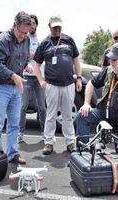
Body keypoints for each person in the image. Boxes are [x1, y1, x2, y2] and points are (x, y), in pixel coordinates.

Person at [34, 15, 82, 155]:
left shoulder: (68, 40)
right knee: (50, 115)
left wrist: (78, 78)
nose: (57, 29)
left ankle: (70, 142)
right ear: (49, 26)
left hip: (68, 84)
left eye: (59, 26)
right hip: (52, 85)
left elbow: (76, 61)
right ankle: (48, 143)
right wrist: (41, 81)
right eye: (54, 27)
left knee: (68, 115)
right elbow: (37, 65)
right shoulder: (44, 43)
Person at [0, 11, 33, 165]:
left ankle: (12, 154)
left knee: (14, 123)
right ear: (14, 25)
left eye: (26, 33)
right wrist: (14, 76)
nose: (23, 36)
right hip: (1, 86)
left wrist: (27, 64)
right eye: (21, 32)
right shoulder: (3, 39)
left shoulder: (26, 39)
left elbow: (25, 57)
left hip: (16, 87)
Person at [18, 14, 46, 143]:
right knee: (23, 106)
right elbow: (22, 55)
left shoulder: (41, 41)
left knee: (42, 107)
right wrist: (34, 55)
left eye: (34, 23)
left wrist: (32, 54)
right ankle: (20, 133)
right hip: (26, 77)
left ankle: (44, 133)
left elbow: (43, 57)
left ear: (36, 25)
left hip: (39, 78)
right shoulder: (24, 39)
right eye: (30, 23)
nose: (32, 25)